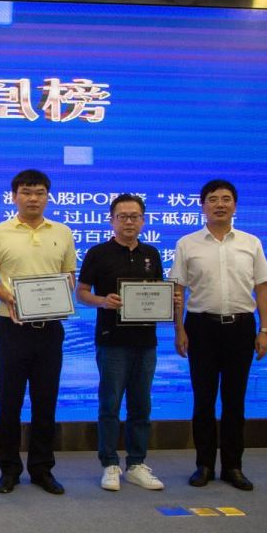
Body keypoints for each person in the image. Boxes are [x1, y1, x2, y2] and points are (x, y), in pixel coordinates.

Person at [0, 169, 77, 495]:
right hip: (12, 328)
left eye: (39, 193)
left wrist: (59, 296)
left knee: (45, 402)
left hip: (50, 329)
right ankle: (8, 469)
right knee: (9, 403)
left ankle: (41, 469)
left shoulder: (62, 232)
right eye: (26, 192)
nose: (33, 198)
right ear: (14, 196)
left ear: (48, 196)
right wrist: (9, 297)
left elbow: (69, 275)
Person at [171, 179, 267, 491]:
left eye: (226, 199)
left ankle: (232, 466)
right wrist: (179, 329)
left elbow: (262, 289)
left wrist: (264, 330)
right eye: (213, 199)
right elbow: (178, 290)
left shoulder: (251, 243)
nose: (220, 204)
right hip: (201, 327)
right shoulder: (187, 243)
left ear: (235, 205)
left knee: (234, 400)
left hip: (241, 328)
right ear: (202, 205)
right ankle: (203, 465)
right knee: (203, 400)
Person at [76, 194, 168, 492]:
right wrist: (103, 301)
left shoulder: (151, 254)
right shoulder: (98, 253)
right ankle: (110, 464)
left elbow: (158, 292)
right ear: (112, 220)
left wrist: (170, 302)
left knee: (141, 404)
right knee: (110, 404)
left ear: (143, 220)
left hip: (146, 341)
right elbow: (81, 293)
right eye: (122, 216)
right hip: (111, 340)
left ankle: (137, 464)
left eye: (134, 216)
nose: (129, 222)